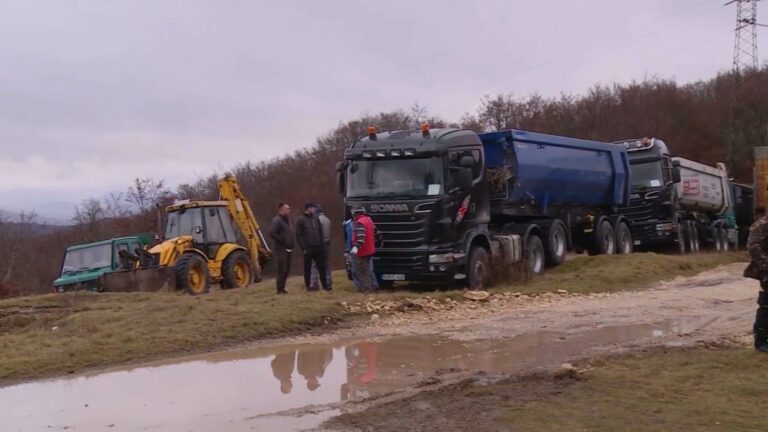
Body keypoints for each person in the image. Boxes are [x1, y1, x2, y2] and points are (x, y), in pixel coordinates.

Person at [745, 211, 768, 352]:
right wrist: (765, 264)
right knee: (766, 306)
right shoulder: (761, 225)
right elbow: (753, 247)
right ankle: (761, 342)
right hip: (767, 271)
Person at [295, 201, 330, 291]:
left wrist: (322, 245)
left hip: (318, 246)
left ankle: (325, 286)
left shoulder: (316, 218)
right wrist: (303, 248)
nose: (314, 209)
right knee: (307, 268)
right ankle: (308, 287)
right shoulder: (300, 220)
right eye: (313, 208)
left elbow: (320, 232)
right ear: (308, 208)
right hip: (308, 248)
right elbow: (298, 235)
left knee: (322, 267)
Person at [343, 213, 379, 292]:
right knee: (368, 269)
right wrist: (379, 243)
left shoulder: (360, 222)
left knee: (361, 271)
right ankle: (373, 286)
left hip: (362, 251)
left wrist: (356, 246)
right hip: (370, 250)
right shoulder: (369, 220)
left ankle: (366, 289)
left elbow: (360, 237)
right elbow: (377, 233)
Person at [269, 203, 294, 294]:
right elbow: (272, 233)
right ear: (281, 210)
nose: (289, 211)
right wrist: (282, 240)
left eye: (289, 209)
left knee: (287, 270)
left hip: (288, 248)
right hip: (280, 249)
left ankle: (282, 288)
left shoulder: (287, 220)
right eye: (287, 209)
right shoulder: (277, 220)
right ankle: (279, 290)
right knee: (281, 269)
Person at [310, 206, 333, 290]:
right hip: (327, 243)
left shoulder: (317, 220)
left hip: (319, 244)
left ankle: (314, 284)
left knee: (315, 265)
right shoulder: (327, 220)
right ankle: (328, 283)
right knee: (326, 265)